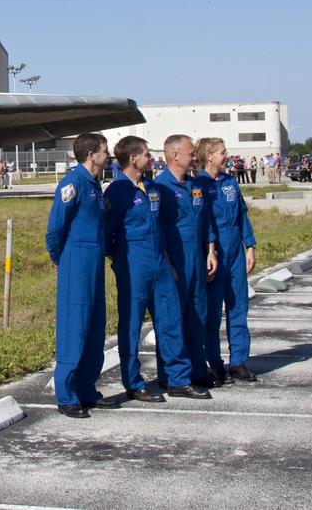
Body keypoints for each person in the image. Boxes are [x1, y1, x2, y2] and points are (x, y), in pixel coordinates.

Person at [105, 136, 205, 401]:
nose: (152, 159)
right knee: (131, 325)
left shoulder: (152, 188)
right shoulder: (116, 192)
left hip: (160, 263)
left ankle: (177, 379)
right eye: (147, 155)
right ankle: (134, 382)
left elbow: (160, 228)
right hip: (133, 264)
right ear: (133, 159)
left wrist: (168, 263)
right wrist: (119, 261)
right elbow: (107, 232)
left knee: (170, 320)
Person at [46, 133, 118, 417]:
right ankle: (66, 396)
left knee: (94, 325)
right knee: (74, 326)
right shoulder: (72, 184)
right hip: (76, 259)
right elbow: (55, 228)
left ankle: (87, 388)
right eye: (105, 151)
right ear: (91, 154)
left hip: (94, 259)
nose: (108, 155)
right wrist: (58, 256)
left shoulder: (94, 185)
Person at [154, 134, 218, 388]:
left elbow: (206, 221)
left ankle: (197, 370)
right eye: (191, 153)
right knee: (172, 319)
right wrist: (167, 263)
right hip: (175, 262)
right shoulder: (160, 189)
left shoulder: (195, 186)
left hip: (197, 259)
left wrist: (211, 250)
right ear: (174, 156)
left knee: (197, 315)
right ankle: (171, 375)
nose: (194, 157)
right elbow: (156, 229)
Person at [195, 138, 258, 384]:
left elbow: (241, 215)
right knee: (212, 312)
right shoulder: (198, 185)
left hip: (235, 254)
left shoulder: (231, 182)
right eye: (222, 153)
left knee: (238, 306)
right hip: (214, 253)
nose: (226, 156)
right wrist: (209, 252)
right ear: (209, 156)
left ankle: (239, 361)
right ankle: (215, 363)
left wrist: (249, 245)